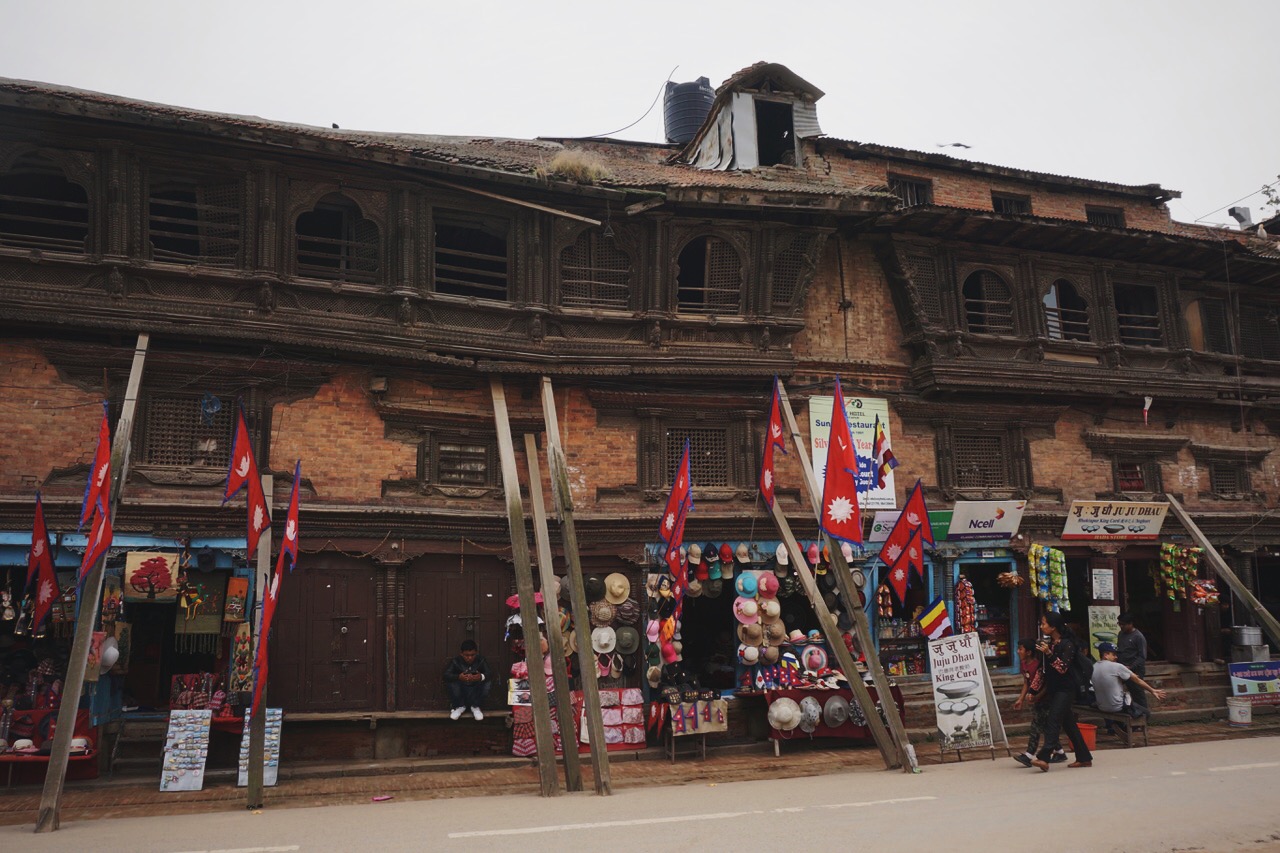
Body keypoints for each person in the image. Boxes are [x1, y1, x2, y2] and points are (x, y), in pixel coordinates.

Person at [1030, 612, 1093, 771]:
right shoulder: (1049, 644)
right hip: (1054, 688)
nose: (1041, 626)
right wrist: (1033, 689)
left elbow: (1062, 668)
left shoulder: (1067, 644)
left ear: (1053, 627)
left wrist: (1049, 654)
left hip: (1067, 689)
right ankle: (1084, 757)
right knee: (1069, 724)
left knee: (1053, 720)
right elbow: (1042, 670)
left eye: (1044, 623)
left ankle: (1044, 757)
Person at [1012, 639, 1066, 767]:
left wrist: (1037, 697)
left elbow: (1046, 685)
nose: (1018, 652)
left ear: (1029, 652)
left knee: (1035, 726)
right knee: (1046, 727)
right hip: (1036, 700)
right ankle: (1060, 751)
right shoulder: (1024, 665)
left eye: (1021, 649)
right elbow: (1027, 683)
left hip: (1046, 700)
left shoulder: (1038, 665)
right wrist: (1021, 698)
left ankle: (1029, 754)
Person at [1092, 641, 1165, 729]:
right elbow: (1137, 680)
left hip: (1102, 706)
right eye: (1113, 654)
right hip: (1117, 706)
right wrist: (1152, 690)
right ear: (1106, 655)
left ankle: (1115, 729)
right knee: (1146, 713)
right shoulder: (1117, 666)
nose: (1116, 657)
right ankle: (1125, 732)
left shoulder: (1093, 667)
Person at [443, 640, 491, 720]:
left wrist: (481, 676)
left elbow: (489, 673)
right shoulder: (456, 661)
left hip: (475, 688)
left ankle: (475, 707)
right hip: (461, 689)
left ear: (476, 653)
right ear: (461, 654)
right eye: (466, 655)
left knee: (487, 683)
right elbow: (446, 675)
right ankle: (459, 706)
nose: (470, 658)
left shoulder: (481, 660)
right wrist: (458, 677)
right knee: (452, 682)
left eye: (473, 655)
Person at [1116, 613, 1149, 711]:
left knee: (1138, 694)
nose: (1121, 626)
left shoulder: (1138, 637)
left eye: (1123, 624)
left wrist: (1131, 667)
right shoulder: (1121, 634)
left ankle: (1143, 716)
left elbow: (1142, 656)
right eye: (1119, 624)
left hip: (1135, 670)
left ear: (1131, 624)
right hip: (1121, 668)